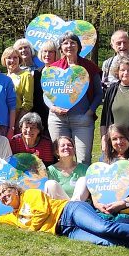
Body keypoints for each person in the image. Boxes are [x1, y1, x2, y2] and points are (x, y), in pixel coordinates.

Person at [0, 182, 129, 256]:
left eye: (5, 191)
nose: (3, 196)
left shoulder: (31, 195)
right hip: (65, 230)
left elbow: (42, 213)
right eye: (0, 196)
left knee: (104, 228)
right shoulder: (12, 216)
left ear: (15, 189)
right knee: (105, 242)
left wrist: (32, 228)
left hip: (69, 211)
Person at [73, 124, 129, 215]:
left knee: (114, 227)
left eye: (122, 137)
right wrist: (97, 204)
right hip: (104, 209)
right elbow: (95, 185)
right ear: (110, 142)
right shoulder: (104, 159)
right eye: (114, 139)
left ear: (128, 138)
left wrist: (124, 203)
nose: (119, 142)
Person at [47, 32, 102, 164]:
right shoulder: (54, 68)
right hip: (58, 120)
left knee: (84, 160)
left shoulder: (89, 67)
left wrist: (89, 112)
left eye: (73, 42)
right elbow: (46, 94)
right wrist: (53, 108)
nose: (69, 45)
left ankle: (83, 185)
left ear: (78, 46)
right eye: (65, 43)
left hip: (82, 120)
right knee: (61, 158)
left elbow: (99, 93)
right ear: (61, 47)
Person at [30, 41, 58, 128]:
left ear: (56, 54)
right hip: (39, 116)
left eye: (51, 52)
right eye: (45, 51)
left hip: (56, 115)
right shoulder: (36, 73)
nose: (47, 54)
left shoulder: (61, 72)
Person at [2, 46, 33, 123]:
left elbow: (28, 103)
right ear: (4, 60)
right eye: (9, 57)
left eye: (15, 57)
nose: (12, 60)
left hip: (18, 118)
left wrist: (18, 123)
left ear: (19, 59)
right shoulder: (2, 77)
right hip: (2, 119)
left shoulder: (26, 75)